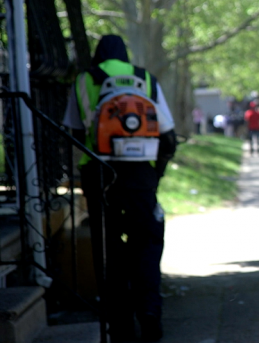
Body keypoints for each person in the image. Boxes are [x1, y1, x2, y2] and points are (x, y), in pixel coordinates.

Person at [62, 35, 176, 342]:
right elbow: (168, 136)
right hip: (140, 175)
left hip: (99, 174)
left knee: (107, 248)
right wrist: (156, 173)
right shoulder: (145, 79)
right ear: (125, 55)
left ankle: (120, 326)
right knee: (148, 241)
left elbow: (73, 132)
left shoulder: (85, 80)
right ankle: (150, 311)